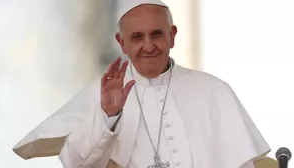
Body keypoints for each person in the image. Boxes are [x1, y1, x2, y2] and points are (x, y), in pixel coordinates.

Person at [58, 0, 271, 167]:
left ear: (172, 36)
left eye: (156, 34)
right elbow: (78, 165)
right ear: (122, 43)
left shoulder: (214, 91)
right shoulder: (101, 96)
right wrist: (108, 116)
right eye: (137, 37)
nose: (148, 46)